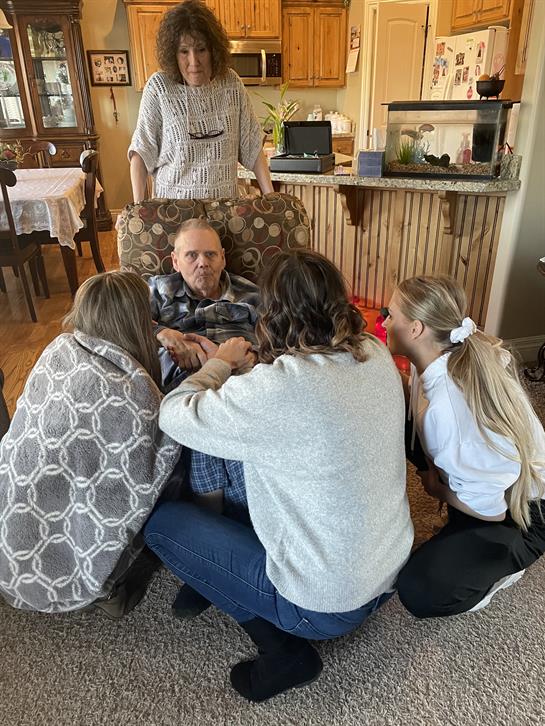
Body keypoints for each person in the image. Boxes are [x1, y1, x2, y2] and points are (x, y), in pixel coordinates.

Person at [143, 249, 414, 702]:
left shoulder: (278, 389)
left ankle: (283, 651)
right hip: (390, 573)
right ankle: (229, 567)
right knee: (244, 459)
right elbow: (305, 397)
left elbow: (174, 414)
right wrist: (250, 372)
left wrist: (219, 365)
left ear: (272, 313)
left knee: (163, 526)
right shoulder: (374, 350)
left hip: (324, 606)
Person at [0, 272, 182, 616]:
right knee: (172, 467)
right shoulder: (130, 390)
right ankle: (107, 588)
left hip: (8, 535)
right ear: (134, 322)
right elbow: (165, 442)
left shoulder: (58, 350)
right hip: (60, 569)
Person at [383, 275, 545, 618]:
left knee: (420, 589)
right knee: (397, 408)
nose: (383, 323)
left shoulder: (449, 414)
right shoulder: (443, 356)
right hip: (490, 484)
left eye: (390, 315)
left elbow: (493, 511)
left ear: (416, 329)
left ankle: (503, 568)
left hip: (523, 514)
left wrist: (436, 488)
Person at [128, 0, 273, 202]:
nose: (193, 61)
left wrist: (272, 198)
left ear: (213, 50)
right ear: (173, 53)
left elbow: (253, 147)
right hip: (174, 212)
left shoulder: (231, 85)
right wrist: (137, 208)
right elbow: (141, 153)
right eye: (184, 51)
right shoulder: (159, 88)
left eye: (201, 49)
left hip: (223, 211)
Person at [149, 217, 259, 387]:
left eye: (210, 254)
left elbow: (282, 340)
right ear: (175, 261)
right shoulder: (159, 290)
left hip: (243, 385)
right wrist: (162, 333)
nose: (203, 263)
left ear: (222, 258)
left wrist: (255, 356)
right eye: (192, 255)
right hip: (181, 388)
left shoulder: (252, 295)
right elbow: (122, 325)